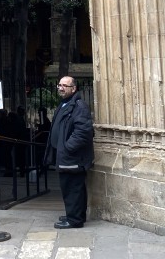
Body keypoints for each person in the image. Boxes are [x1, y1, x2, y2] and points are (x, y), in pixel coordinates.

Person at [43, 76, 94, 229]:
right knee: (72, 187)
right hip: (66, 156)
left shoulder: (79, 106)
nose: (61, 87)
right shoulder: (65, 104)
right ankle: (76, 214)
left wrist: (67, 147)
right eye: (59, 85)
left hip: (73, 157)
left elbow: (83, 132)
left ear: (74, 88)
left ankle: (74, 220)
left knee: (72, 188)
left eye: (65, 85)